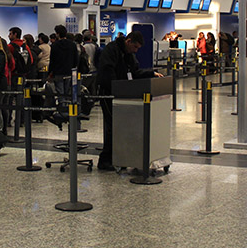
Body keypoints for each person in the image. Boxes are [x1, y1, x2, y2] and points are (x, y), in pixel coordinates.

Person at [96, 30, 162, 171]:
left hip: (122, 93)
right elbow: (107, 73)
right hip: (108, 93)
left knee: (121, 126)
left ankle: (121, 157)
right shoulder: (112, 50)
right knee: (112, 126)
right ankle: (105, 160)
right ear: (128, 41)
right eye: (135, 47)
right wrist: (117, 89)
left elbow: (135, 72)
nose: (136, 51)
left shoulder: (129, 55)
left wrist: (151, 73)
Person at [47, 25, 80, 129]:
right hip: (69, 72)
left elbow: (52, 60)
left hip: (58, 72)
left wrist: (50, 72)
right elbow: (76, 59)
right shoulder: (72, 45)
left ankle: (62, 113)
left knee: (60, 93)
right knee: (67, 92)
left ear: (57, 34)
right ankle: (68, 112)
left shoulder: (55, 45)